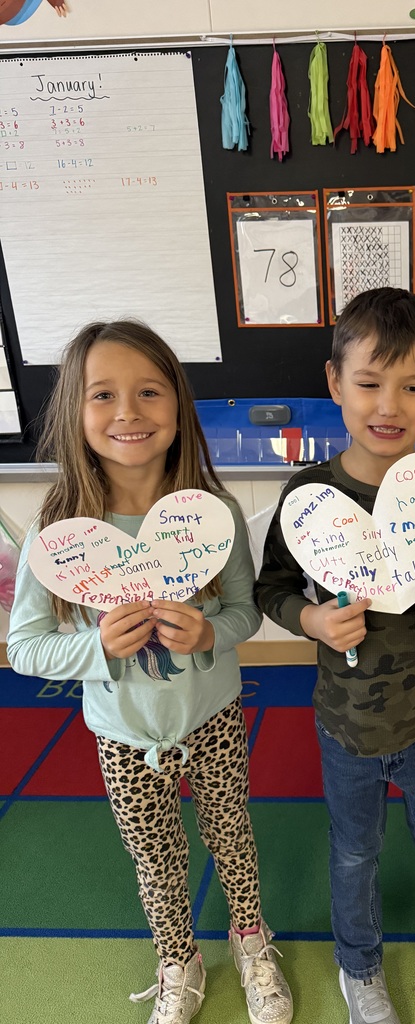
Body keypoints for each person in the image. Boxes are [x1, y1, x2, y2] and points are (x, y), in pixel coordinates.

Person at [7, 321, 293, 1024]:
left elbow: (243, 614)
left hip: (214, 717)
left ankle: (251, 941)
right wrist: (98, 644)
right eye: (104, 395)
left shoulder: (212, 514)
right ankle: (178, 957)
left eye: (149, 392)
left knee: (233, 835)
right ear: (75, 411)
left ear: (178, 407)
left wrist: (206, 633)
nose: (129, 412)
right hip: (122, 735)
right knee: (156, 859)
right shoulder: (60, 536)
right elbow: (26, 649)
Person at [255, 288, 415, 1024]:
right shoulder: (308, 494)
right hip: (348, 723)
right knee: (353, 854)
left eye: (412, 386)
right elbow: (272, 588)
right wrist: (310, 620)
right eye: (367, 383)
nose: (387, 403)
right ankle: (359, 967)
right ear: (335, 383)